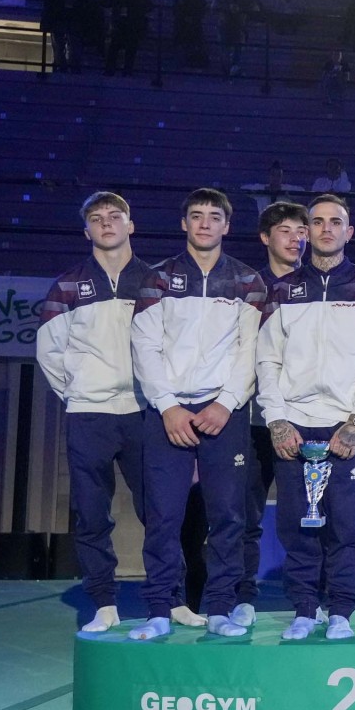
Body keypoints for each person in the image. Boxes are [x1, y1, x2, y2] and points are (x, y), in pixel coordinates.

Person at [127, 188, 267, 640]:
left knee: (228, 517)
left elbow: (250, 351)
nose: (205, 223)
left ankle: (221, 608)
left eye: (214, 216)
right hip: (168, 413)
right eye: (196, 215)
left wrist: (226, 403)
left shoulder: (248, 281)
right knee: (162, 517)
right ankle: (160, 610)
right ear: (183, 223)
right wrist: (168, 406)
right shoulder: (157, 279)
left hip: (225, 414)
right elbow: (144, 346)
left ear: (227, 225)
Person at [256, 195, 355, 640]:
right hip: (294, 425)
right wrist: (276, 420)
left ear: (349, 232)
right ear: (306, 232)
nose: (326, 229)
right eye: (317, 222)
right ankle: (304, 609)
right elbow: (267, 361)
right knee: (297, 525)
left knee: (347, 526)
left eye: (336, 222)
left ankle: (340, 612)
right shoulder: (281, 290)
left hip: (347, 426)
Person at [36, 193, 152, 631]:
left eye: (115, 216)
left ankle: (172, 598)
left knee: (161, 513)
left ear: (130, 225)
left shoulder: (155, 281)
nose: (106, 223)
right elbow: (49, 352)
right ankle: (104, 603)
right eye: (97, 218)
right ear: (86, 231)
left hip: (145, 412)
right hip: (89, 414)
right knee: (91, 514)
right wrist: (80, 393)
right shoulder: (67, 285)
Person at [232, 201, 308, 627]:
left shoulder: (318, 288)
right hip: (250, 420)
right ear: (265, 237)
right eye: (285, 230)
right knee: (244, 516)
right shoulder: (247, 287)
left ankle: (309, 601)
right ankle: (242, 596)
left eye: (302, 231)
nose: (296, 238)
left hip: (303, 420)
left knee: (306, 518)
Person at [103, 0, 153, 77]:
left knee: (130, 49)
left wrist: (137, 11)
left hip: (132, 25)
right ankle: (110, 70)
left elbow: (149, 6)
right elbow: (108, 1)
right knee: (113, 47)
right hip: (119, 24)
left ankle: (127, 71)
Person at [42, 0, 82, 74]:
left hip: (72, 20)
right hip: (59, 19)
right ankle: (61, 67)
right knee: (58, 45)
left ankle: (72, 68)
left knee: (73, 46)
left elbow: (86, 3)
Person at [171, 0, 209, 70]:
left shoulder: (199, 0)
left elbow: (202, 12)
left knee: (192, 47)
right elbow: (175, 11)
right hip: (182, 27)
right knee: (181, 47)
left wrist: (193, 18)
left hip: (194, 28)